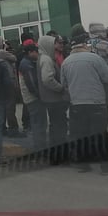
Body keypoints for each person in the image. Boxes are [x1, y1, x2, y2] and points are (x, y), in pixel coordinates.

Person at [61, 27, 108, 176]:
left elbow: (64, 84)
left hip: (76, 104)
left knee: (81, 134)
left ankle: (83, 164)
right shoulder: (95, 58)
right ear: (85, 44)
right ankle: (106, 167)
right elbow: (107, 78)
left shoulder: (66, 62)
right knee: (100, 135)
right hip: (96, 102)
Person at [37, 35, 69, 164]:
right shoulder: (46, 60)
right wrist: (60, 88)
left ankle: (56, 156)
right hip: (54, 99)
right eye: (53, 43)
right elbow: (47, 79)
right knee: (59, 128)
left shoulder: (43, 57)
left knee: (55, 127)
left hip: (49, 98)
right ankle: (60, 156)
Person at [0, 35, 24, 138]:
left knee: (1, 108)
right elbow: (14, 58)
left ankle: (2, 129)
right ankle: (13, 129)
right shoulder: (1, 52)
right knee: (10, 107)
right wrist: (5, 50)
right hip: (8, 83)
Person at [18, 42, 47, 152]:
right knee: (38, 123)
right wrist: (39, 95)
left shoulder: (27, 62)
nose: (38, 54)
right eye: (36, 52)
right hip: (33, 98)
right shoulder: (27, 65)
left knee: (37, 122)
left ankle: (39, 146)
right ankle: (40, 147)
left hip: (31, 97)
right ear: (30, 52)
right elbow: (31, 83)